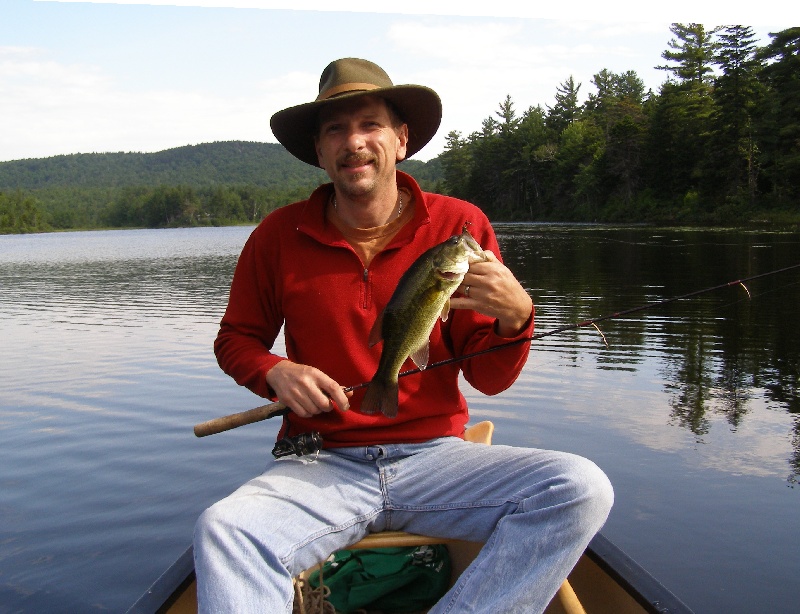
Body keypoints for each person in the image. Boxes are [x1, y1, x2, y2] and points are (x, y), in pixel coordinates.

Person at [194, 57, 613, 613]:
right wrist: (275, 371)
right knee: (225, 530)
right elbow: (235, 340)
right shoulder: (277, 236)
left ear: (401, 139)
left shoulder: (458, 228)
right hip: (319, 461)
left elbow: (488, 377)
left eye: (370, 124)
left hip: (438, 458)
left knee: (580, 488)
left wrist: (516, 319)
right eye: (335, 130)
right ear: (319, 152)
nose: (354, 142)